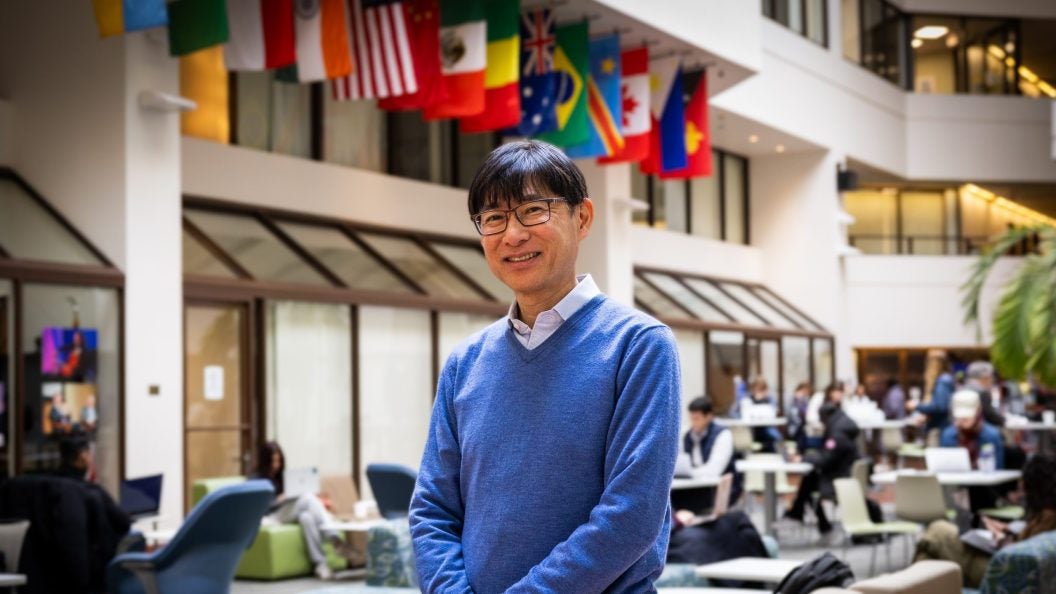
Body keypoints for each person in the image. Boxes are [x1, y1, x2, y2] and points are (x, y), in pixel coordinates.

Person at [409, 140, 681, 593]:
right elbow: (433, 509)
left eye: (533, 210)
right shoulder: (465, 363)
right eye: (494, 218)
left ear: (583, 217)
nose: (512, 234)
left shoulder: (638, 346)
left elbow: (632, 515)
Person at [914, 452, 1056, 588]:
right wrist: (1009, 530)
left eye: (1023, 489)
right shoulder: (1047, 512)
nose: (1020, 494)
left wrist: (1001, 539)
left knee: (936, 532)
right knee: (929, 554)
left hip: (1003, 572)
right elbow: (1030, 541)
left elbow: (1021, 554)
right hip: (1010, 566)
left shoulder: (1048, 517)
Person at [254, 441, 346, 580]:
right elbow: (258, 507)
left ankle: (321, 565)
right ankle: (333, 536)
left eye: (278, 461)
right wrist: (279, 499)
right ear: (265, 461)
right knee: (307, 498)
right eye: (272, 461)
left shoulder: (282, 476)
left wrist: (290, 494)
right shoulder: (255, 480)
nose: (276, 465)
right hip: (271, 516)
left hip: (289, 512)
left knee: (307, 518)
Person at [783, 386, 861, 535]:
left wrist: (804, 458)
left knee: (809, 483)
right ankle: (807, 516)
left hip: (840, 479)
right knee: (809, 481)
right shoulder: (842, 427)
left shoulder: (838, 434)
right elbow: (828, 455)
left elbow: (826, 458)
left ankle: (798, 512)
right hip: (843, 474)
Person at [672, 396, 741, 514]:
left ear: (709, 417)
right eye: (691, 418)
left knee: (680, 502)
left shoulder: (723, 435)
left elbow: (714, 470)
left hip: (718, 488)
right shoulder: (688, 435)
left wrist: (691, 473)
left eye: (697, 418)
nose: (693, 422)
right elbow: (682, 462)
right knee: (670, 499)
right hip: (695, 486)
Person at [908, 349, 955, 436]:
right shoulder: (944, 379)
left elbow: (940, 407)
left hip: (940, 429)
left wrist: (917, 406)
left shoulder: (943, 381)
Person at [964, 361, 1005, 428]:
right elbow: (990, 415)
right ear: (984, 377)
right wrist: (1004, 420)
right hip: (976, 430)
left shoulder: (962, 389)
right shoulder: (982, 392)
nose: (992, 380)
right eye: (991, 377)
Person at [788, 382, 812, 452]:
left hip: (803, 423)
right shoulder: (794, 398)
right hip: (795, 426)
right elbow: (793, 414)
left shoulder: (805, 399)